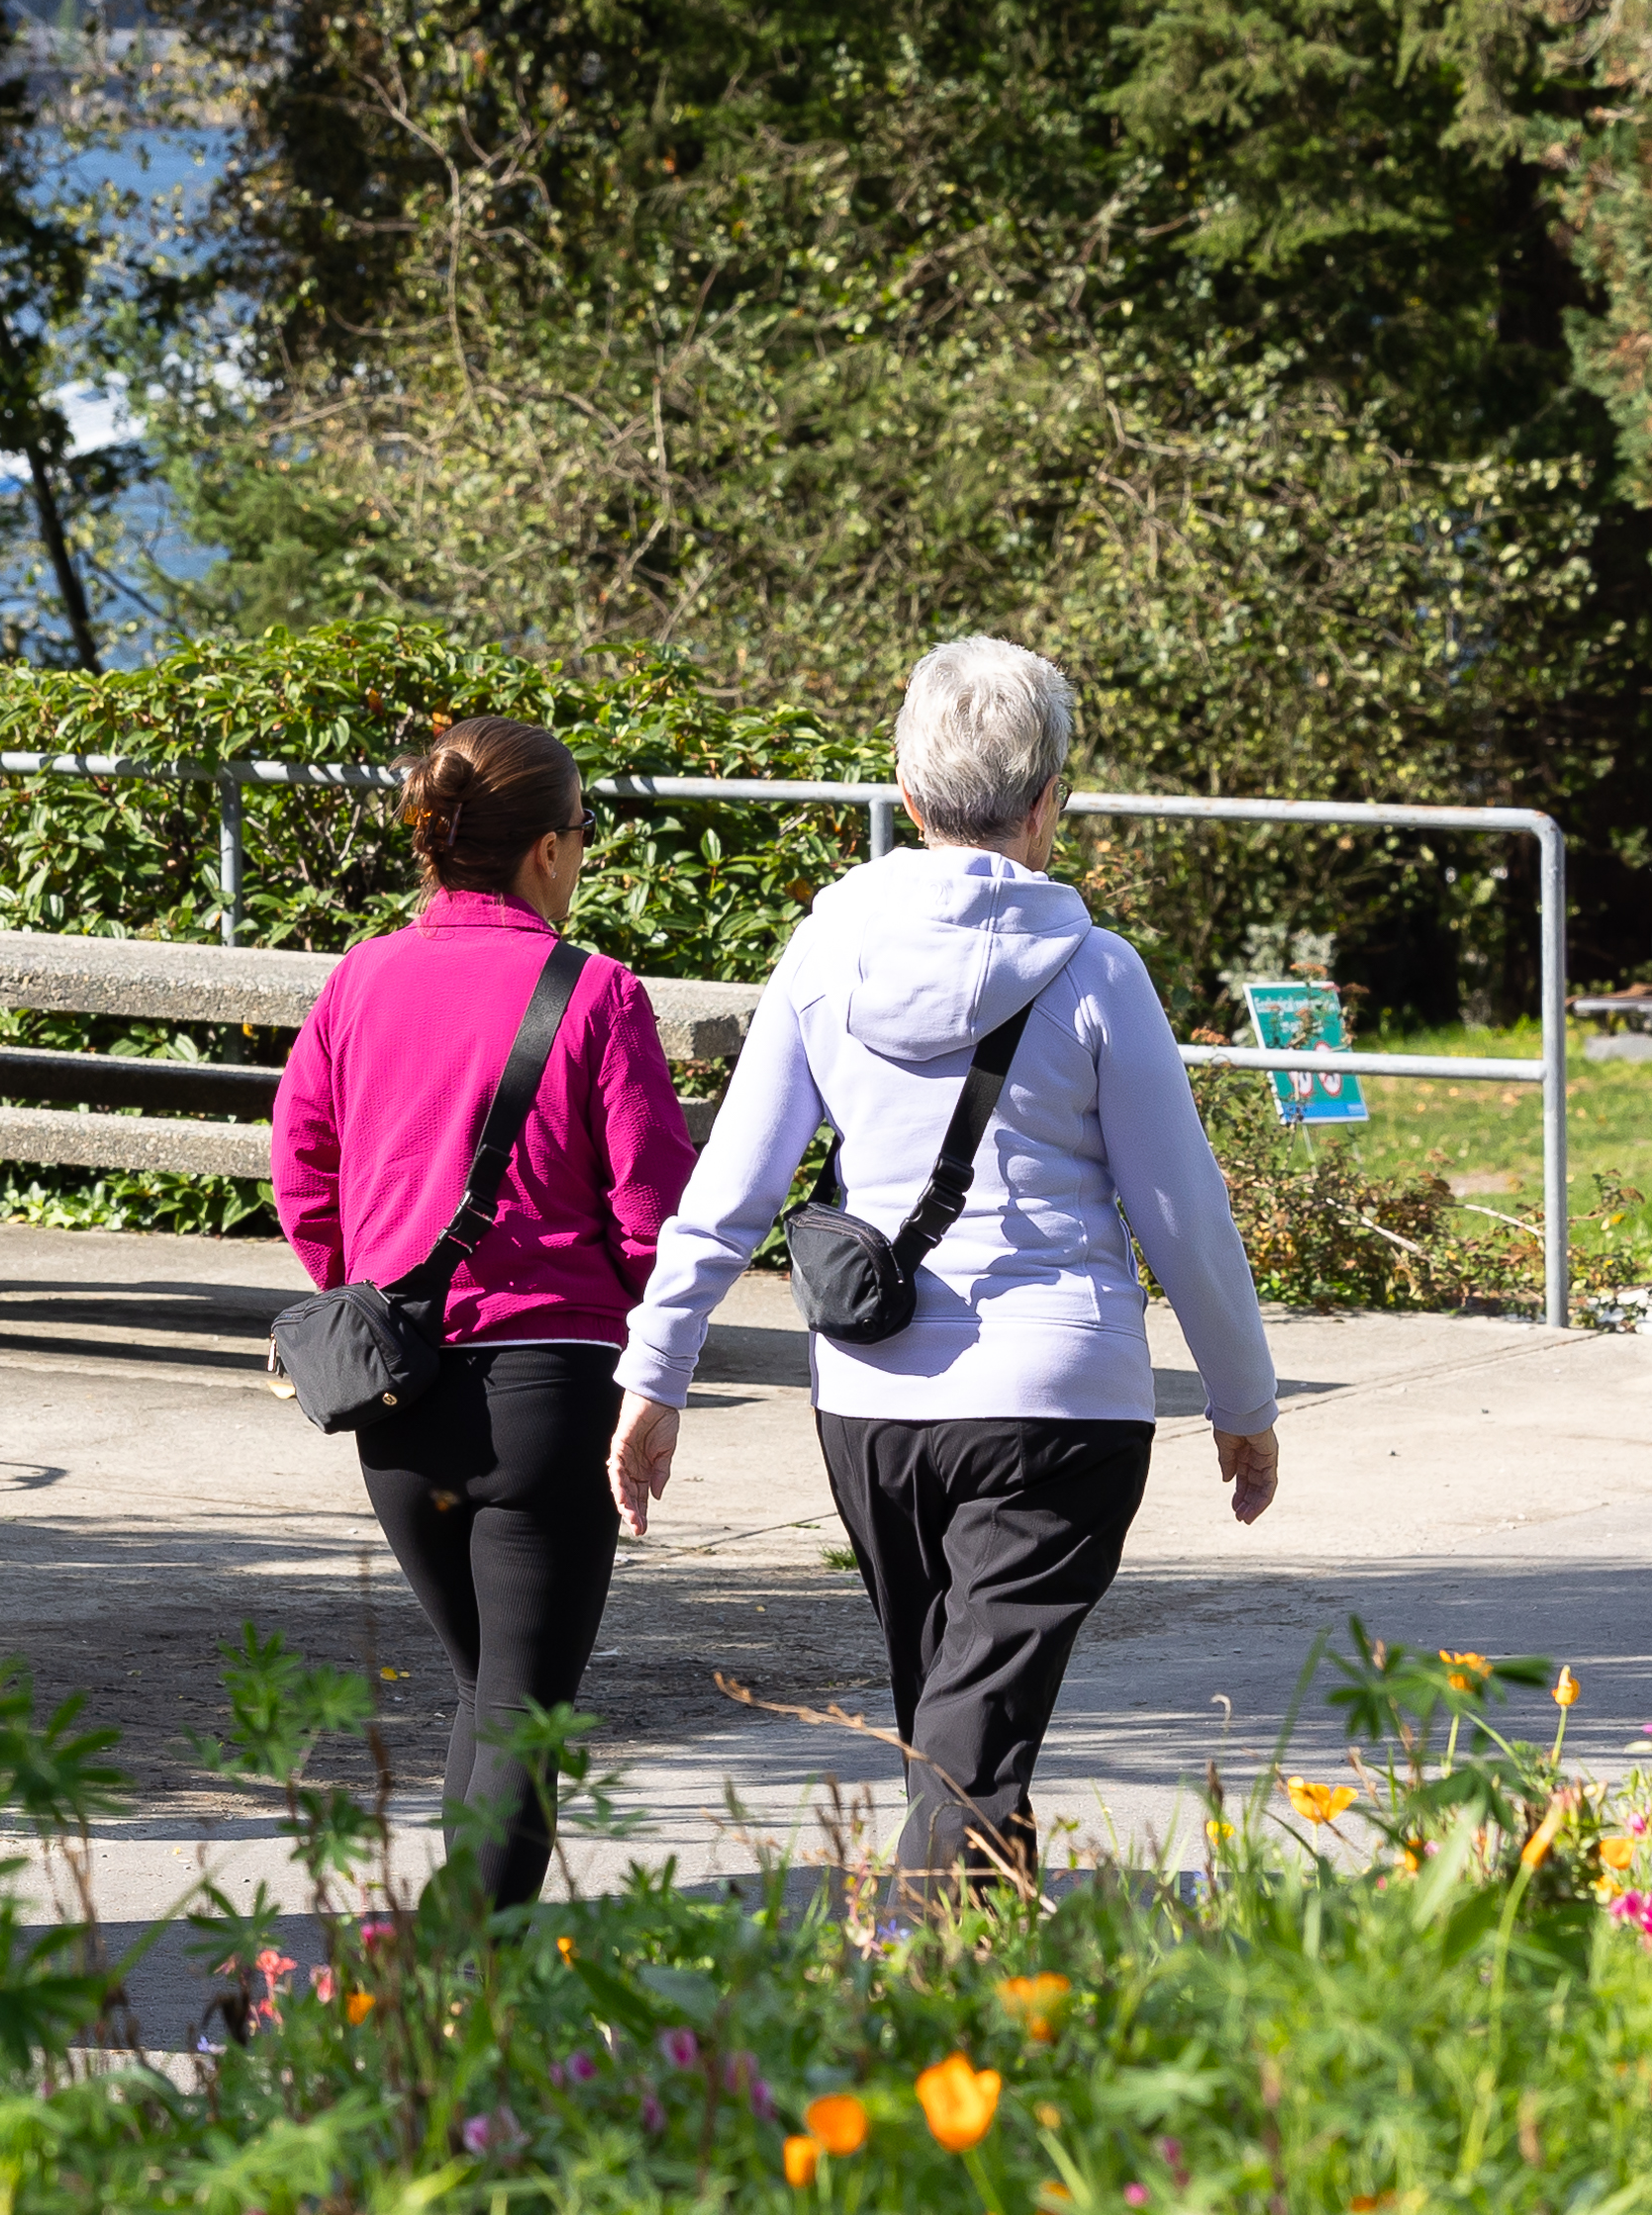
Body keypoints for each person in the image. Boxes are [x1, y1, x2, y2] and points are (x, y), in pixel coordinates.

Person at [613, 635, 1282, 1894]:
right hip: (1057, 1405)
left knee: (955, 1724)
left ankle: (972, 2011)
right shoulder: (1095, 974)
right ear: (1046, 805)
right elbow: (1181, 1211)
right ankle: (917, 1980)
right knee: (968, 1737)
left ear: (907, 798)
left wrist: (656, 1378)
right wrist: (1241, 1408)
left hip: (870, 1406)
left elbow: (731, 1186)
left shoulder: (824, 953)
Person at [271, 715, 698, 1914]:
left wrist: (360, 1286)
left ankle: (464, 1982)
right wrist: (644, 1351)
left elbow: (301, 1165)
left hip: (393, 1394)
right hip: (546, 1393)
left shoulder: (359, 978)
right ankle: (470, 1994)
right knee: (518, 1705)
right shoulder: (597, 993)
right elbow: (649, 1212)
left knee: (481, 1691)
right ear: (551, 852)